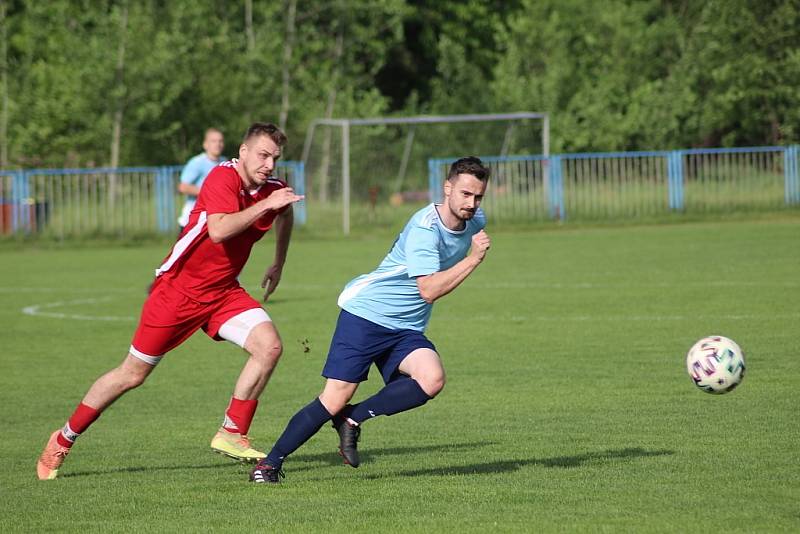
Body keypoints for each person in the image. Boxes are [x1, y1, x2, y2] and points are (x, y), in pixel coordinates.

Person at [36, 122, 304, 480]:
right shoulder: (221, 179)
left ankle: (232, 431)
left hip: (223, 292)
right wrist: (268, 204)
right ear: (242, 151)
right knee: (131, 375)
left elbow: (285, 213)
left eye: (275, 158)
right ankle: (63, 438)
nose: (269, 164)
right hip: (177, 293)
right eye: (263, 155)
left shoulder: (273, 189)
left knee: (269, 347)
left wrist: (279, 261)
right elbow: (220, 229)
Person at [250, 156, 492, 484]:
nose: (471, 203)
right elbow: (428, 290)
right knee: (335, 396)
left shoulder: (475, 220)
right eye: (465, 194)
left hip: (405, 326)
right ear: (447, 188)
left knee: (431, 379)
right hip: (366, 315)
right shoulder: (425, 229)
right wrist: (474, 259)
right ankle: (268, 465)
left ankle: (351, 420)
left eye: (478, 196)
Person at [177, 127, 226, 233]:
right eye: (213, 141)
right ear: (205, 144)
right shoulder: (197, 162)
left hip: (215, 218)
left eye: (220, 141)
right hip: (193, 219)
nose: (217, 144)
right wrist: (211, 193)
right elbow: (183, 187)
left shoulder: (225, 162)